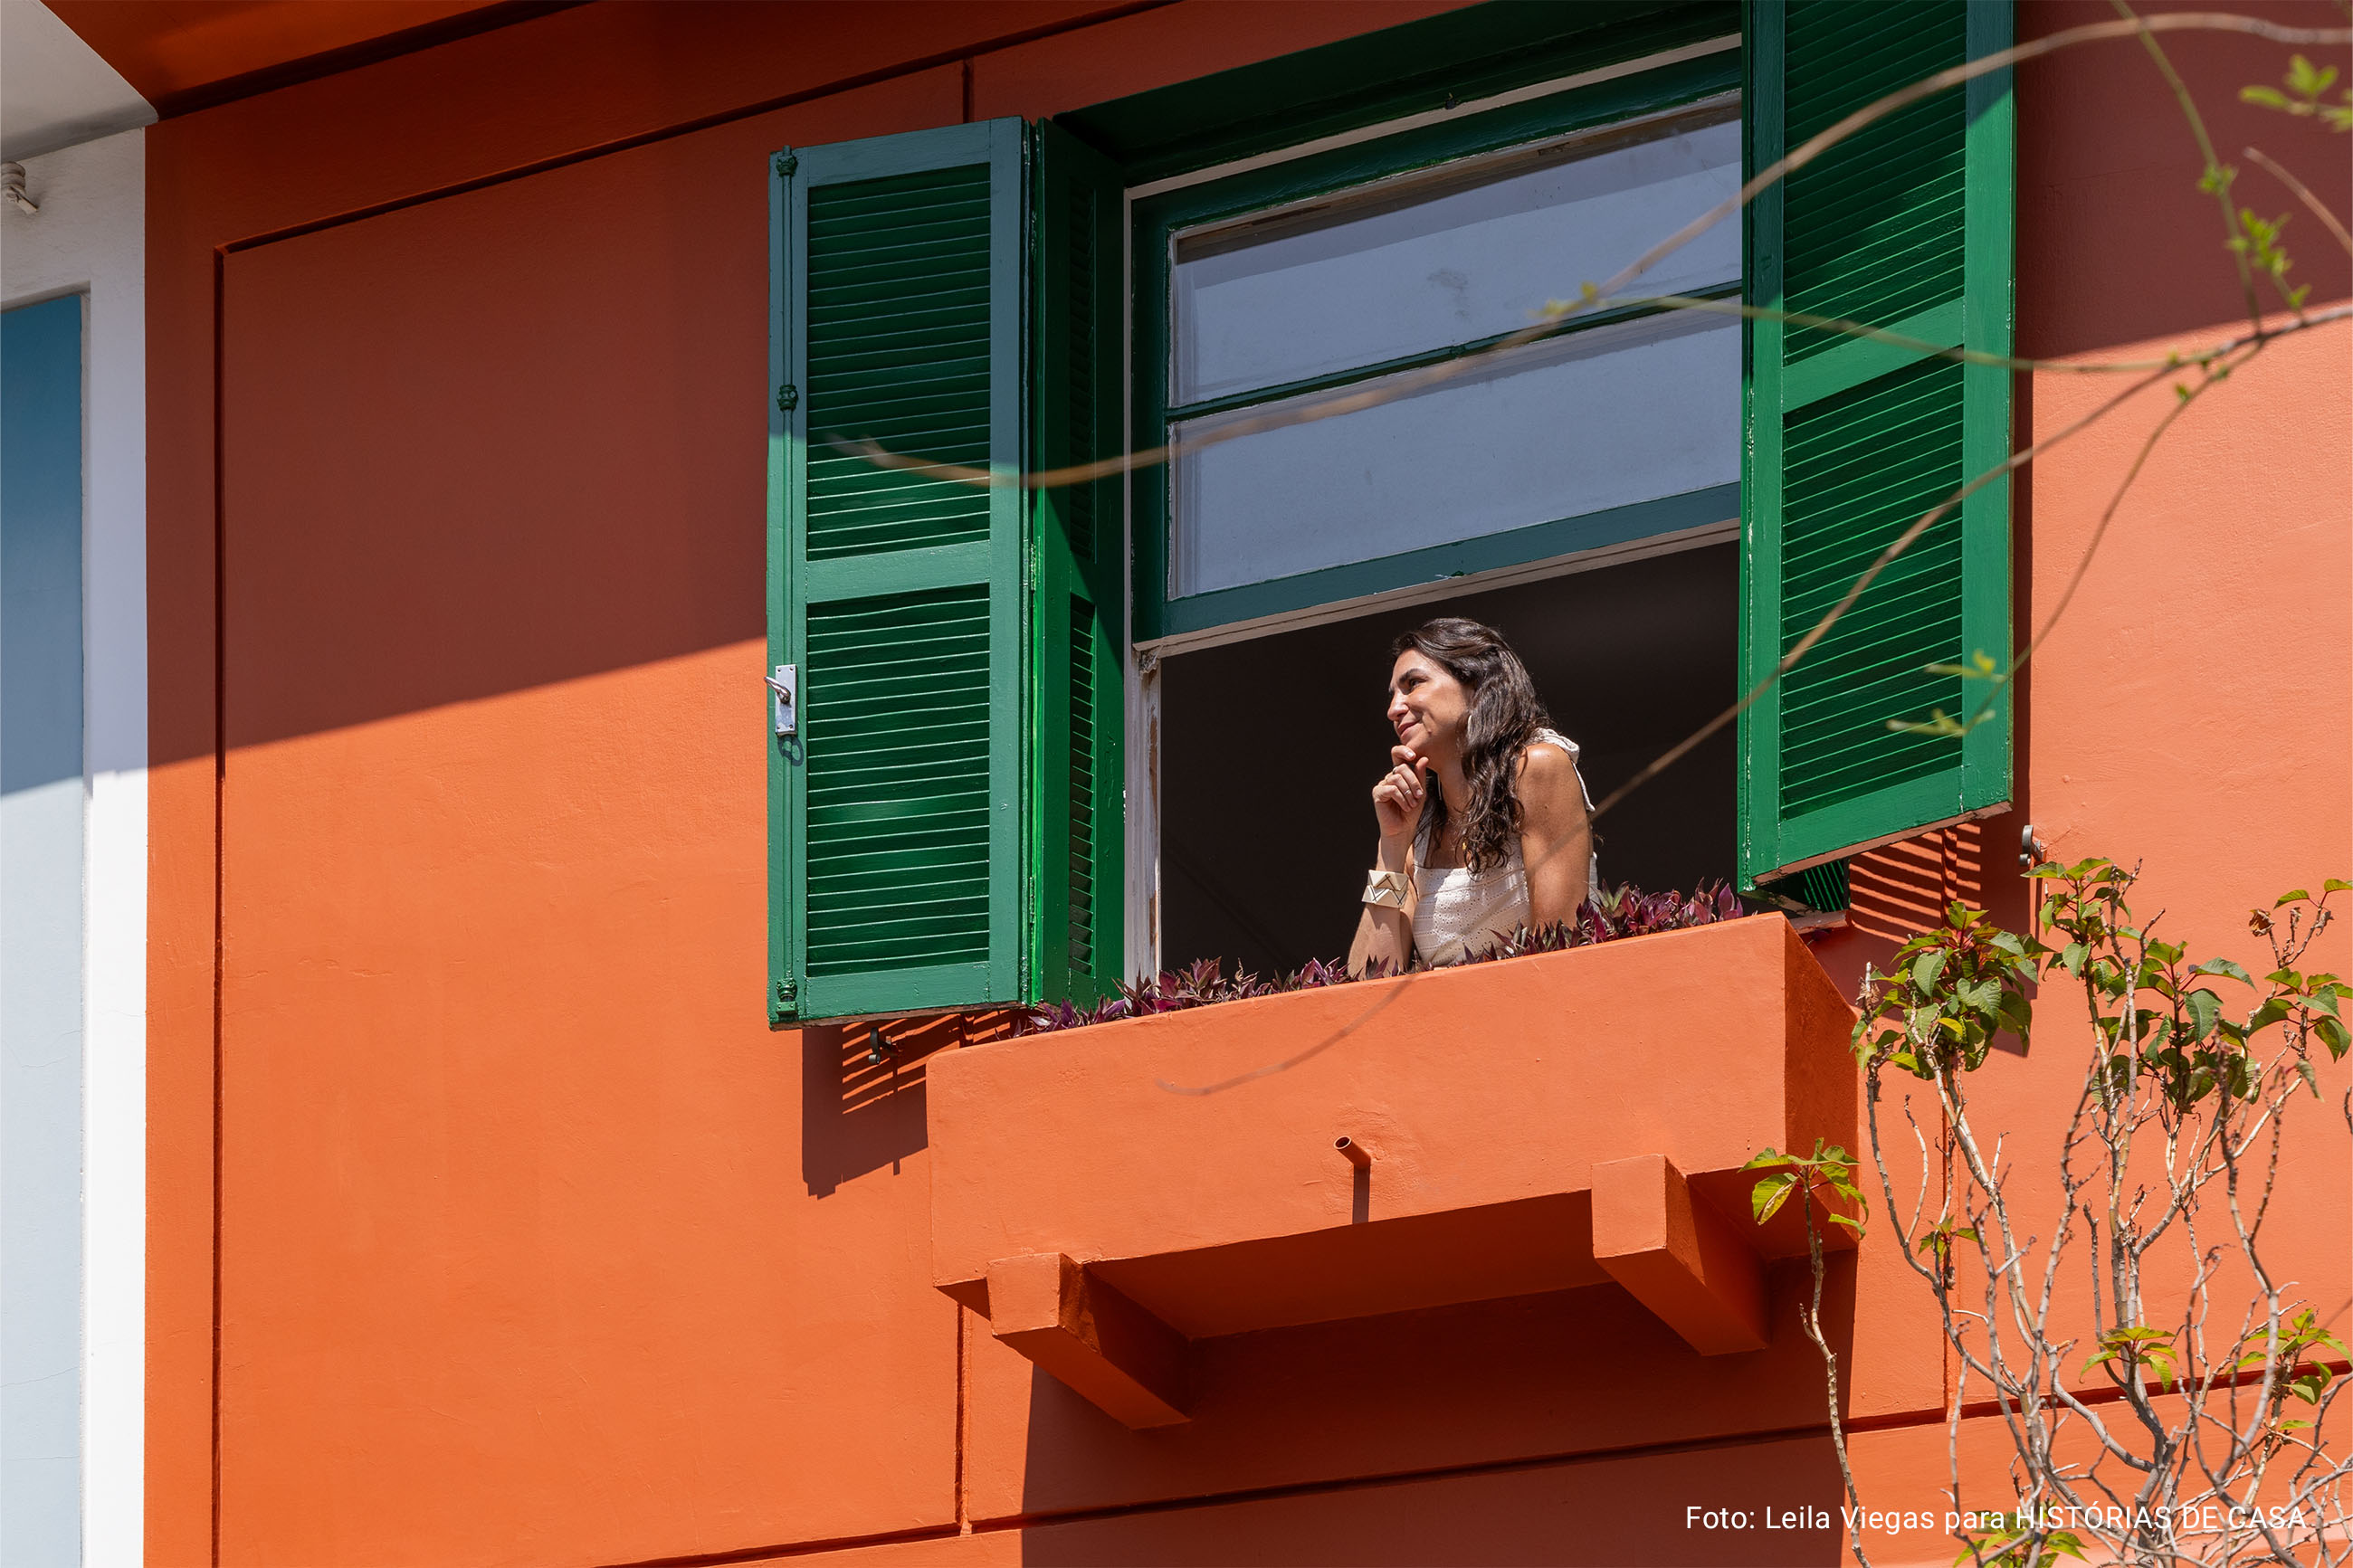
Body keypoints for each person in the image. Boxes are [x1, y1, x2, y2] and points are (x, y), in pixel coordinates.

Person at [1347, 617, 1596, 974]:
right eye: (1393, 696)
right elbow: (1368, 982)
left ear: (1475, 682)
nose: (1393, 709)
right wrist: (1391, 847)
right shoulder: (1418, 828)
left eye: (1413, 684)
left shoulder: (1535, 767)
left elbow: (1559, 953)